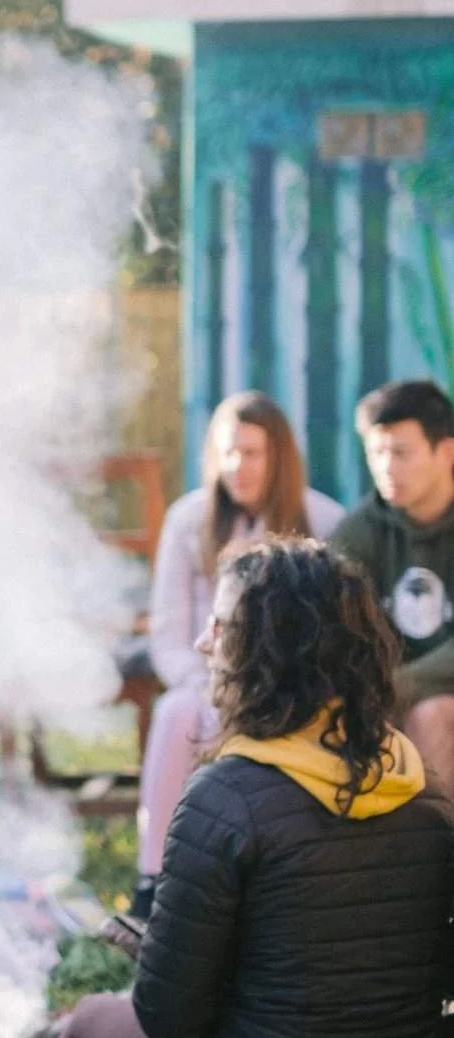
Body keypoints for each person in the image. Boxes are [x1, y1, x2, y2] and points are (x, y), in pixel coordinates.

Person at [24, 538, 454, 1038]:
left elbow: (166, 1023)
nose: (201, 642)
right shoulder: (421, 790)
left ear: (265, 649)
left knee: (87, 1023)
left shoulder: (224, 799)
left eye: (220, 625)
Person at [134, 393, 342, 917]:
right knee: (176, 713)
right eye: (229, 452)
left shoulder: (324, 521)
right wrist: (204, 684)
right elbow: (168, 633)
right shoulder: (188, 522)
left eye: (252, 453)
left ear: (279, 458)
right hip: (206, 683)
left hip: (291, 685)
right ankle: (154, 877)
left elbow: (333, 632)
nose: (238, 467)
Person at [331, 379, 454, 800]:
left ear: (447, 451)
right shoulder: (357, 534)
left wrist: (399, 686)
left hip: (426, 699)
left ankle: (437, 860)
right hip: (384, 697)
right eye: (376, 452)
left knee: (434, 716)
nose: (386, 467)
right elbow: (332, 628)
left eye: (401, 453)